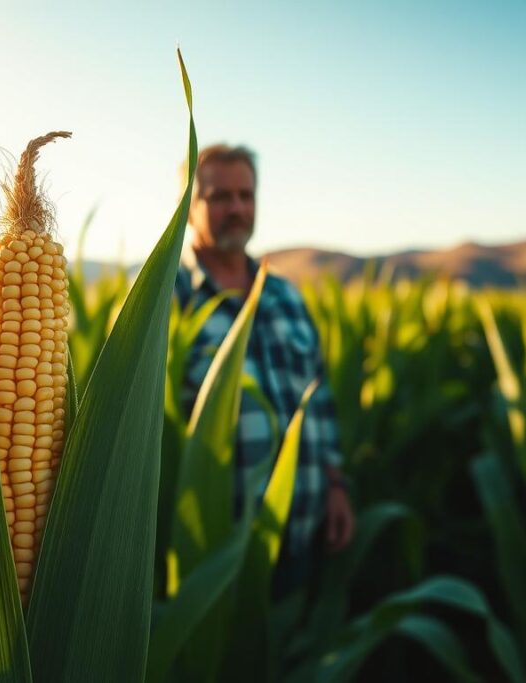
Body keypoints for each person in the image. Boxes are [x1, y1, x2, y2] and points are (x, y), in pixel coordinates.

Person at [173, 143, 356, 596]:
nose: (236, 208)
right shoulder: (163, 302)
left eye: (245, 196)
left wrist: (335, 484)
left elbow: (321, 396)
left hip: (303, 534)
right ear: (187, 206)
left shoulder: (285, 296)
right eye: (219, 197)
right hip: (211, 557)